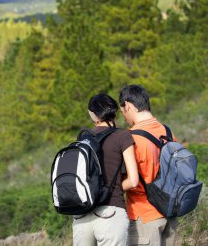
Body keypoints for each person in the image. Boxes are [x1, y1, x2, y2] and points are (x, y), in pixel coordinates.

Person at [73, 93, 139, 246]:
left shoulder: (83, 139)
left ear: (92, 114)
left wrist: (93, 191)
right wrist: (110, 189)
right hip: (110, 213)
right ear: (114, 112)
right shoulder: (122, 136)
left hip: (81, 216)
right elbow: (133, 180)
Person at [119, 85, 178, 246]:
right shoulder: (167, 131)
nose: (124, 117)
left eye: (123, 111)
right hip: (170, 213)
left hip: (144, 218)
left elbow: (131, 180)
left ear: (128, 106)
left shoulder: (131, 139)